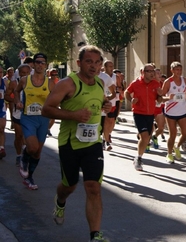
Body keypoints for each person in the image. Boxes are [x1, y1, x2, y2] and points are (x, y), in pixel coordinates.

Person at [41, 45, 112, 242]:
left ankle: (95, 235)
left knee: (93, 187)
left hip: (93, 143)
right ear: (79, 63)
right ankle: (60, 200)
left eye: (98, 62)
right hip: (70, 143)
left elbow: (100, 100)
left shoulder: (98, 83)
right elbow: (46, 109)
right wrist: (73, 115)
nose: (94, 66)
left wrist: (105, 104)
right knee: (69, 185)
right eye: (89, 61)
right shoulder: (67, 84)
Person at [15, 53, 56, 190]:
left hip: (43, 119)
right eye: (37, 62)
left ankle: (29, 177)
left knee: (38, 152)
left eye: (42, 62)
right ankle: (24, 158)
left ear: (46, 65)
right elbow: (16, 92)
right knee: (32, 147)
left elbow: (55, 100)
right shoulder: (25, 80)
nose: (39, 64)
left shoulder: (49, 83)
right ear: (34, 64)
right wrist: (18, 102)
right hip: (28, 118)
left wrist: (53, 116)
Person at [124, 64, 162, 171]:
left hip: (150, 114)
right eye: (149, 71)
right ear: (143, 72)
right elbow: (127, 92)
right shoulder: (136, 83)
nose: (152, 73)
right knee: (145, 137)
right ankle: (139, 158)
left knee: (146, 138)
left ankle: (139, 155)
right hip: (138, 113)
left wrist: (160, 95)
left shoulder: (156, 83)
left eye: (153, 71)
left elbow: (159, 100)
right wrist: (130, 100)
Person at [162, 61, 186, 163]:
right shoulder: (168, 82)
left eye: (180, 69)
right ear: (172, 70)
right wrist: (169, 97)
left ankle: (177, 147)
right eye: (177, 70)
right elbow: (161, 97)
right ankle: (169, 154)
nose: (179, 72)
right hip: (170, 112)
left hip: (182, 111)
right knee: (172, 134)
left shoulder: (185, 80)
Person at [4, 64, 31, 165]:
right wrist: (15, 101)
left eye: (26, 72)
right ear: (19, 73)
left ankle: (26, 153)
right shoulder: (14, 83)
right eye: (22, 73)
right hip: (18, 114)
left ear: (30, 72)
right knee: (19, 135)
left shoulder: (35, 83)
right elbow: (6, 96)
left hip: (30, 114)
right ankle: (18, 155)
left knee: (28, 136)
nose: (24, 74)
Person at [102, 60, 122, 151]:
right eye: (109, 66)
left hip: (113, 101)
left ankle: (106, 137)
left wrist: (116, 89)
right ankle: (106, 141)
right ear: (105, 67)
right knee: (105, 121)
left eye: (112, 66)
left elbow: (121, 88)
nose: (112, 68)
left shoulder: (116, 77)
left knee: (111, 121)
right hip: (103, 101)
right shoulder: (101, 76)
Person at [151, 68, 166, 149]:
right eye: (158, 73)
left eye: (160, 73)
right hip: (149, 109)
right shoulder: (150, 84)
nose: (160, 75)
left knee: (161, 128)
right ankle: (146, 144)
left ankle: (154, 136)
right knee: (149, 128)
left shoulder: (162, 84)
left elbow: (164, 95)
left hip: (158, 108)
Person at [0, 67, 7, 159]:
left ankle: (1, 148)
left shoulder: (4, 82)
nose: (0, 73)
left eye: (1, 72)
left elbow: (9, 94)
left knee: (1, 129)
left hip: (1, 108)